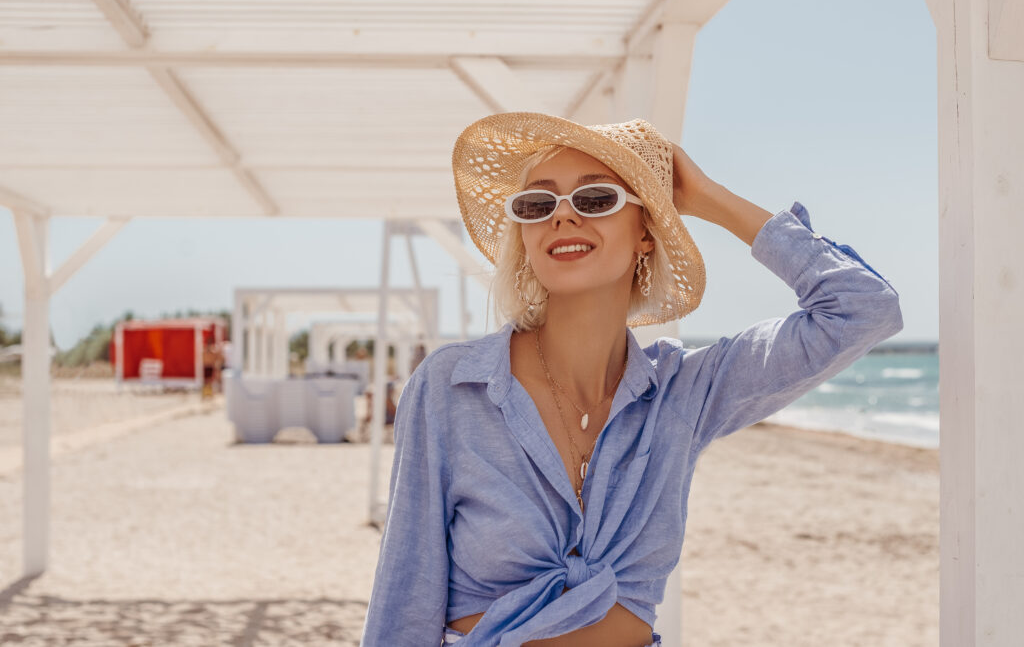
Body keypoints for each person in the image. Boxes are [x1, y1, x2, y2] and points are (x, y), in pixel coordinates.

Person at [360, 113, 903, 647]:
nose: (563, 217)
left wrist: (708, 198)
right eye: (537, 204)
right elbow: (406, 588)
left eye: (597, 199)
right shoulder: (453, 386)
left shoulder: (685, 393)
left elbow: (861, 309)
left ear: (646, 233)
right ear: (523, 234)